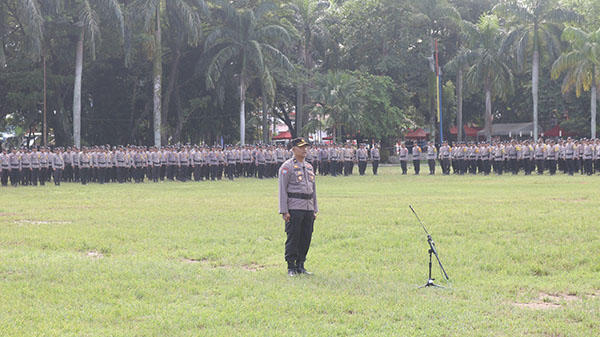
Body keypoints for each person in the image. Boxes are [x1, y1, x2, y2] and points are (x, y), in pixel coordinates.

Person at [278, 137, 318, 277]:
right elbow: (282, 189)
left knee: (306, 236)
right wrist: (284, 210)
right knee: (294, 236)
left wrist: (314, 208)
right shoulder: (287, 167)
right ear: (293, 149)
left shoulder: (309, 167)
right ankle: (291, 266)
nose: (304, 149)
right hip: (294, 207)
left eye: (305, 147)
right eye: (301, 147)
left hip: (308, 207)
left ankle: (301, 264)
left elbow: (313, 189)